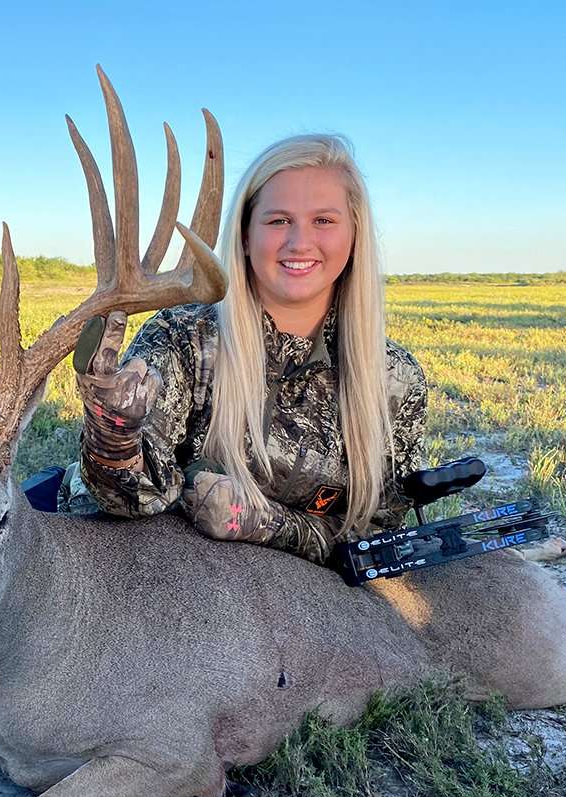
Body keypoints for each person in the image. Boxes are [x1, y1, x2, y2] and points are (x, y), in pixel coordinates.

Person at [61, 134, 428, 566]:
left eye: (324, 221)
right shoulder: (185, 338)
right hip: (174, 580)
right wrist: (114, 432)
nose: (299, 243)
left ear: (354, 235)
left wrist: (265, 524)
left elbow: (381, 539)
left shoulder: (392, 378)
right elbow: (125, 504)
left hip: (301, 606)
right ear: (246, 235)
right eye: (278, 221)